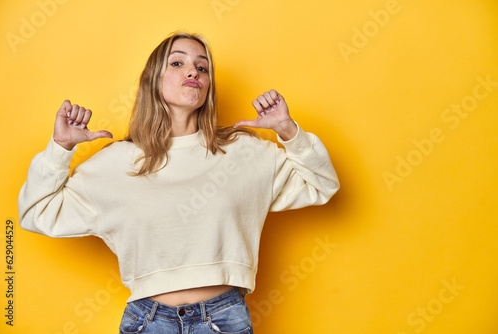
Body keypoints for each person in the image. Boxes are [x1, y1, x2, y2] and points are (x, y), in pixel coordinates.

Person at [18, 31, 339, 333]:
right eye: (178, 62)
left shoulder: (244, 152)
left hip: (223, 320)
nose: (193, 71)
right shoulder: (116, 163)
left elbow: (322, 184)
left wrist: (288, 130)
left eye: (202, 66)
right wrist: (60, 148)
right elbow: (37, 211)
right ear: (152, 80)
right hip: (148, 322)